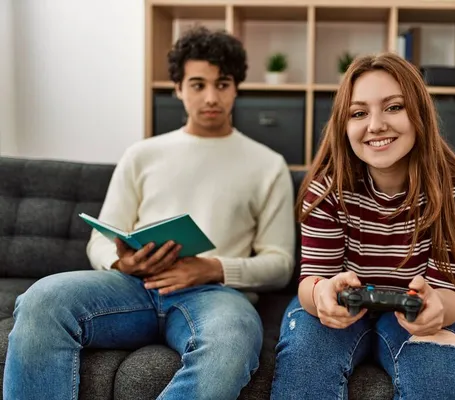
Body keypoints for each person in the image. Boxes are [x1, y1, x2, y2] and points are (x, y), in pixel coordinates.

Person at [4, 27, 295, 400]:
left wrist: (213, 267)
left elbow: (280, 264)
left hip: (214, 294)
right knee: (42, 299)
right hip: (132, 288)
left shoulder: (268, 165)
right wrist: (121, 263)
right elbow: (100, 240)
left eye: (222, 84)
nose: (210, 97)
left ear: (236, 88)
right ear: (177, 88)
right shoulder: (142, 155)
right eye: (197, 84)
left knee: (231, 340)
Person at [270, 52, 455, 400]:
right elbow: (313, 278)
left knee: (437, 386)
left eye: (394, 107)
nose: (375, 125)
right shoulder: (325, 190)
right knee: (304, 377)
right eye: (359, 113)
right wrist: (321, 295)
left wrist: (436, 310)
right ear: (344, 125)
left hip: (414, 310)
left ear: (420, 114)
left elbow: (449, 293)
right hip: (340, 307)